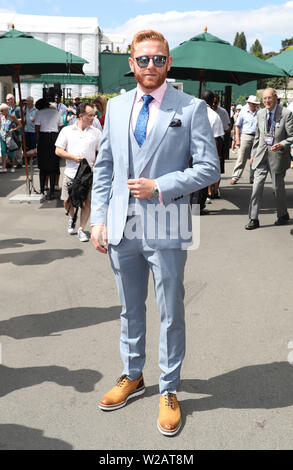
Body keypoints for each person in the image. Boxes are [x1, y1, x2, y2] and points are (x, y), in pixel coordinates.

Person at [90, 29, 220, 436]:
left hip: (167, 221)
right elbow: (106, 168)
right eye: (143, 59)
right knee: (129, 308)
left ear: (169, 63)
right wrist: (97, 218)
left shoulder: (192, 107)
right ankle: (132, 375)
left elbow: (209, 168)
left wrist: (162, 186)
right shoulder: (116, 107)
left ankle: (168, 388)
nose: (150, 66)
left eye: (158, 59)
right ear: (131, 64)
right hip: (120, 226)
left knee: (170, 312)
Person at [245, 88, 293, 230]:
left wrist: (282, 144)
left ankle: (283, 215)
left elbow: (291, 136)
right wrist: (253, 154)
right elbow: (258, 136)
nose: (266, 101)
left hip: (277, 156)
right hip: (261, 156)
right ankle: (253, 218)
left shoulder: (286, 114)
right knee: (256, 187)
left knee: (277, 188)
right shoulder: (260, 113)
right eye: (264, 98)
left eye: (269, 98)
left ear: (276, 98)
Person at [55, 102, 102, 242]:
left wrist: (97, 165)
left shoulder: (96, 132)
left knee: (87, 203)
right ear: (81, 116)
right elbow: (58, 150)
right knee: (67, 201)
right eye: (90, 115)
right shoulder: (67, 131)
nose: (93, 117)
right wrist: (73, 157)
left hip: (88, 174)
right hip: (71, 172)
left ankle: (81, 229)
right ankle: (71, 217)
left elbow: (102, 152)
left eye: (94, 115)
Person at [195, 90, 224, 210]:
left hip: (191, 151)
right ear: (212, 101)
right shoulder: (214, 116)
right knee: (202, 180)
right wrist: (218, 156)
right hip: (206, 152)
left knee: (192, 179)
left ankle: (192, 205)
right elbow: (217, 138)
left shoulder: (193, 112)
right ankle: (198, 207)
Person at [35, 99, 63, 200]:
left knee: (42, 166)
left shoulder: (39, 113)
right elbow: (61, 126)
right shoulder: (56, 112)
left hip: (43, 137)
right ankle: (51, 192)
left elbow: (37, 127)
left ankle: (42, 190)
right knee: (53, 165)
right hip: (54, 137)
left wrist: (39, 136)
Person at [230, 95, 260, 185]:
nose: (254, 105)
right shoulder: (243, 112)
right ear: (249, 103)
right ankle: (235, 176)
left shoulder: (259, 113)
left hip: (256, 137)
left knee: (254, 158)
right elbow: (237, 126)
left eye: (256, 104)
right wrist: (237, 139)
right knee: (241, 157)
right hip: (245, 136)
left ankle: (253, 178)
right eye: (253, 104)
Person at [0, 103, 21, 173]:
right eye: (0, 111)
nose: (1, 112)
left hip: (10, 137)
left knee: (11, 152)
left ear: (6, 110)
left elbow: (20, 125)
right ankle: (4, 167)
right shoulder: (1, 117)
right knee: (3, 151)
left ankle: (12, 166)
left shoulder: (12, 116)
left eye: (2, 111)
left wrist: (14, 129)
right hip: (2, 136)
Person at [6, 93, 22, 168]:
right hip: (9, 131)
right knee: (10, 146)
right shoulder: (7, 109)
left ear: (12, 100)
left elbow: (23, 119)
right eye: (6, 100)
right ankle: (10, 161)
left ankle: (19, 162)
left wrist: (14, 120)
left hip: (17, 130)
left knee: (18, 145)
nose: (7, 101)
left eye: (8, 99)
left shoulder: (18, 109)